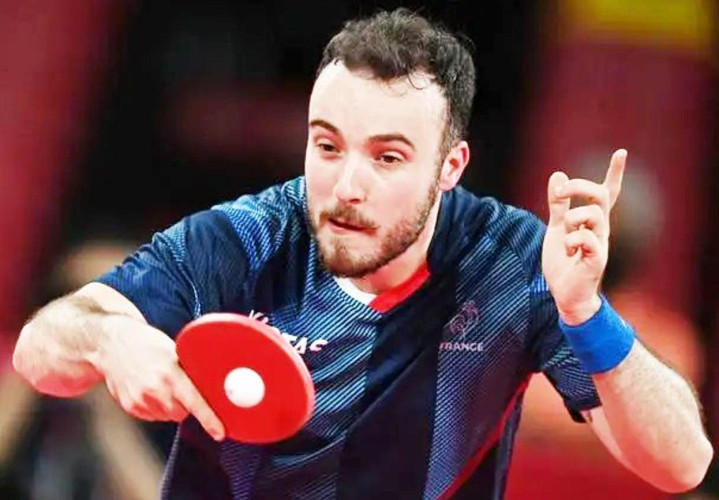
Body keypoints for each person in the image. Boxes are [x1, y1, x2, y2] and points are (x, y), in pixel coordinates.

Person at [12, 8, 712, 499]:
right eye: (327, 145)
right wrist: (109, 339)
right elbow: (39, 349)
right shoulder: (245, 238)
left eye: (387, 156)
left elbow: (681, 465)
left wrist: (584, 313)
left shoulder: (511, 263)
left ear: (450, 166)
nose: (347, 185)